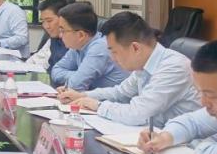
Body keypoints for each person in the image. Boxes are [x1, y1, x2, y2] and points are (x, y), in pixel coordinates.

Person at [58, 11, 200, 127]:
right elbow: (120, 92)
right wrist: (83, 96)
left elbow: (138, 113)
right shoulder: (143, 65)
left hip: (186, 146)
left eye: (114, 52)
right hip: (155, 137)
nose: (113, 58)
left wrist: (98, 106)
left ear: (135, 48)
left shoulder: (173, 67)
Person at [50, 1, 127, 91]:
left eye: (63, 31)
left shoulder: (100, 48)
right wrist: (78, 75)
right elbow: (56, 70)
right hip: (93, 97)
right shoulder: (77, 46)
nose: (60, 35)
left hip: (117, 99)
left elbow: (75, 85)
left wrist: (78, 78)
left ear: (81, 35)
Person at [28, 0, 70, 70]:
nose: (45, 26)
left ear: (63, 18)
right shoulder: (53, 39)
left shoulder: (74, 42)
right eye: (43, 21)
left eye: (49, 21)